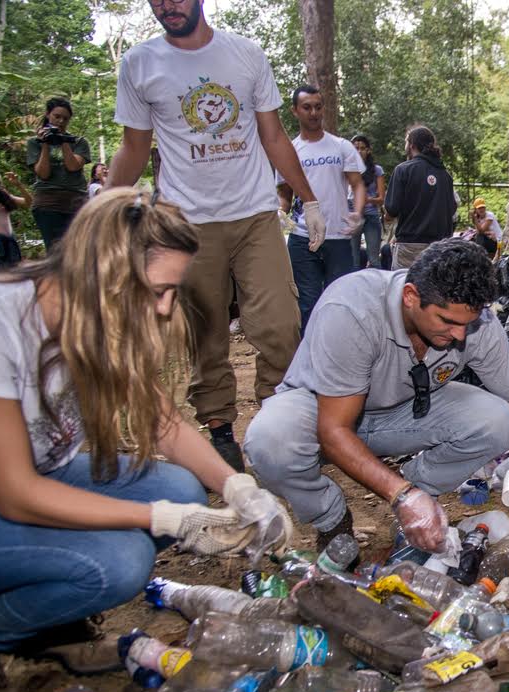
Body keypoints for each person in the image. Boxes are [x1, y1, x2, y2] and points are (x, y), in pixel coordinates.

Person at [0, 189, 291, 668]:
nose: (166, 309)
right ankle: (0, 635)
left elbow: (161, 421)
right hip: (6, 494)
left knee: (182, 488)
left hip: (47, 471)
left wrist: (238, 487)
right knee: (122, 560)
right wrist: (160, 519)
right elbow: (15, 494)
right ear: (105, 273)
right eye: (157, 292)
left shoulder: (93, 316)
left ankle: (46, 602)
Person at [108, 0, 325, 473]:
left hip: (255, 216)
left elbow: (273, 137)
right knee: (203, 334)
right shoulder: (140, 64)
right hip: (187, 226)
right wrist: (101, 216)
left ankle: (277, 419)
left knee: (280, 324)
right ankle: (220, 429)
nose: (168, 6)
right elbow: (133, 148)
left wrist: (308, 200)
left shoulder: (245, 55)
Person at [244, 238, 509, 551]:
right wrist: (399, 494)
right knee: (270, 443)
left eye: (467, 324)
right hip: (323, 410)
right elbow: (334, 430)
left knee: (499, 421)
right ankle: (332, 517)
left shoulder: (474, 323)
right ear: (411, 296)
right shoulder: (352, 308)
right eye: (447, 322)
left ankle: (419, 495)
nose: (459, 335)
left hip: (401, 411)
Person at [276, 85, 365, 331]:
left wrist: (357, 213)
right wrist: (281, 213)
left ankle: (341, 354)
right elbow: (285, 194)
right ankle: (310, 359)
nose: (313, 112)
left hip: (337, 235)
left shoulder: (341, 146)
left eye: (318, 107)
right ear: (295, 111)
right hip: (302, 237)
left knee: (340, 300)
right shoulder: (290, 151)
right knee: (308, 302)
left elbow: (357, 185)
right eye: (307, 107)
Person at [383, 125, 456, 270]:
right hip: (439, 247)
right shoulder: (445, 175)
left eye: (405, 142)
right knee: (433, 290)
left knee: (404, 288)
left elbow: (391, 209)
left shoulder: (403, 170)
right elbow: (452, 209)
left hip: (410, 245)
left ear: (411, 145)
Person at [26, 98, 91, 251]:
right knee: (55, 251)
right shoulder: (34, 142)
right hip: (48, 203)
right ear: (48, 115)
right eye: (57, 116)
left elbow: (73, 166)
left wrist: (64, 141)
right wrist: (45, 145)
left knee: (78, 250)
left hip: (76, 202)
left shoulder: (79, 142)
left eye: (65, 119)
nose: (60, 121)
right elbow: (43, 173)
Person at [350, 135, 385, 268]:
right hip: (352, 217)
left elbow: (381, 199)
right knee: (353, 260)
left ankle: (381, 287)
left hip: (371, 216)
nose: (359, 151)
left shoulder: (377, 170)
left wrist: (367, 200)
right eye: (356, 148)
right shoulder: (348, 169)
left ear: (368, 150)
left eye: (362, 148)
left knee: (374, 259)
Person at [0, 172, 30, 269]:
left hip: (9, 238)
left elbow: (28, 203)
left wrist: (19, 185)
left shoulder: (3, 196)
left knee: (14, 271)